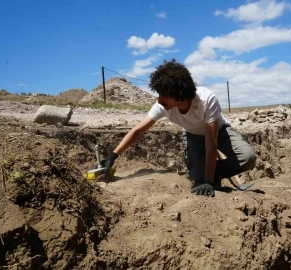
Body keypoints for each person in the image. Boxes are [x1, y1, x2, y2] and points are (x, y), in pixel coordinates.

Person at [103, 59, 257, 197]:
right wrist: (114, 155)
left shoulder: (207, 100)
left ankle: (209, 175)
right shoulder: (162, 106)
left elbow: (211, 145)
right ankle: (201, 173)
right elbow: (138, 130)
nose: (159, 99)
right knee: (197, 178)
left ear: (180, 93)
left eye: (164, 94)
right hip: (193, 136)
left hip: (220, 132)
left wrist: (208, 181)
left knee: (248, 158)